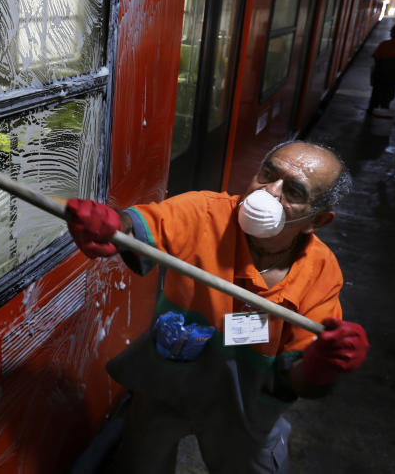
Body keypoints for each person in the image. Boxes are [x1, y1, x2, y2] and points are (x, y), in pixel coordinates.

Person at [65, 140, 369, 474]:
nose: (268, 192)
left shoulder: (321, 274)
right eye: (267, 173)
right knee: (139, 463)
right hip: (169, 378)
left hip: (248, 401)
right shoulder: (205, 213)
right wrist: (111, 226)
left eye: (293, 191)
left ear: (318, 221)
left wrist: (320, 366)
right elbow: (139, 225)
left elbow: (302, 381)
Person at [368, 23, 395, 113]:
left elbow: (376, 58)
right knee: (388, 96)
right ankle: (384, 110)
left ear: (393, 33)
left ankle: (372, 112)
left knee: (376, 95)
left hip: (380, 76)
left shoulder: (385, 44)